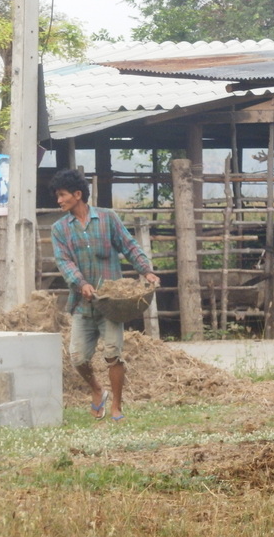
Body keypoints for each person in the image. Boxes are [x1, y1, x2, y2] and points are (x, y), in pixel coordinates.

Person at [49, 168, 158, 421]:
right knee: (77, 358)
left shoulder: (108, 218)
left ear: (78, 194)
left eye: (62, 195)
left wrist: (146, 271)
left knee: (113, 354)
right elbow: (64, 262)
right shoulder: (60, 229)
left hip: (111, 304)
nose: (59, 200)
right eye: (57, 196)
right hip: (81, 304)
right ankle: (98, 391)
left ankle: (117, 406)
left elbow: (129, 245)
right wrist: (81, 283)